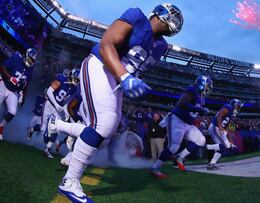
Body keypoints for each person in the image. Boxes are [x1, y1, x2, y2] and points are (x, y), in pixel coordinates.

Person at [46, 4, 183, 202]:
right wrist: (125, 77)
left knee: (106, 134)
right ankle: (69, 182)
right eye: (174, 16)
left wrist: (130, 80)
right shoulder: (136, 16)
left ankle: (58, 129)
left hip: (116, 80)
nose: (177, 22)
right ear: (161, 12)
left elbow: (134, 65)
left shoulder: (161, 46)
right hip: (100, 66)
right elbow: (106, 44)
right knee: (105, 122)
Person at [150, 75, 213, 179]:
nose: (208, 89)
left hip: (188, 124)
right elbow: (182, 103)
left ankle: (180, 157)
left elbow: (194, 111)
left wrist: (200, 111)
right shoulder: (192, 89)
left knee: (201, 140)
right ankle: (155, 168)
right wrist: (200, 110)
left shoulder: (201, 99)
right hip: (177, 119)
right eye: (207, 86)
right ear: (202, 84)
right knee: (173, 147)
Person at [0, 48, 37, 140]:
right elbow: (3, 66)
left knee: (12, 112)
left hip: (14, 91)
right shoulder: (17, 58)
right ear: (26, 55)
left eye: (33, 61)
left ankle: (0, 128)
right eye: (31, 59)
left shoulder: (30, 69)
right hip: (4, 85)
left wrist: (22, 94)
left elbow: (25, 83)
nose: (31, 62)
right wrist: (10, 77)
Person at [42, 68, 80, 158]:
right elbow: (49, 91)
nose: (76, 81)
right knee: (43, 130)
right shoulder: (62, 79)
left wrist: (65, 112)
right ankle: (32, 130)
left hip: (58, 109)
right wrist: (56, 104)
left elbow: (66, 101)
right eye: (75, 79)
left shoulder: (74, 88)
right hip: (50, 105)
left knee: (56, 128)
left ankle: (47, 149)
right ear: (71, 76)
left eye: (77, 80)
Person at [206, 99, 242, 170]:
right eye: (238, 106)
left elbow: (230, 129)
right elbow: (219, 115)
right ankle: (206, 147)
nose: (239, 108)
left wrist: (230, 141)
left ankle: (212, 163)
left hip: (220, 129)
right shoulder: (229, 107)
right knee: (224, 145)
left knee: (226, 146)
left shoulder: (233, 115)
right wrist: (220, 126)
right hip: (215, 126)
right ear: (234, 105)